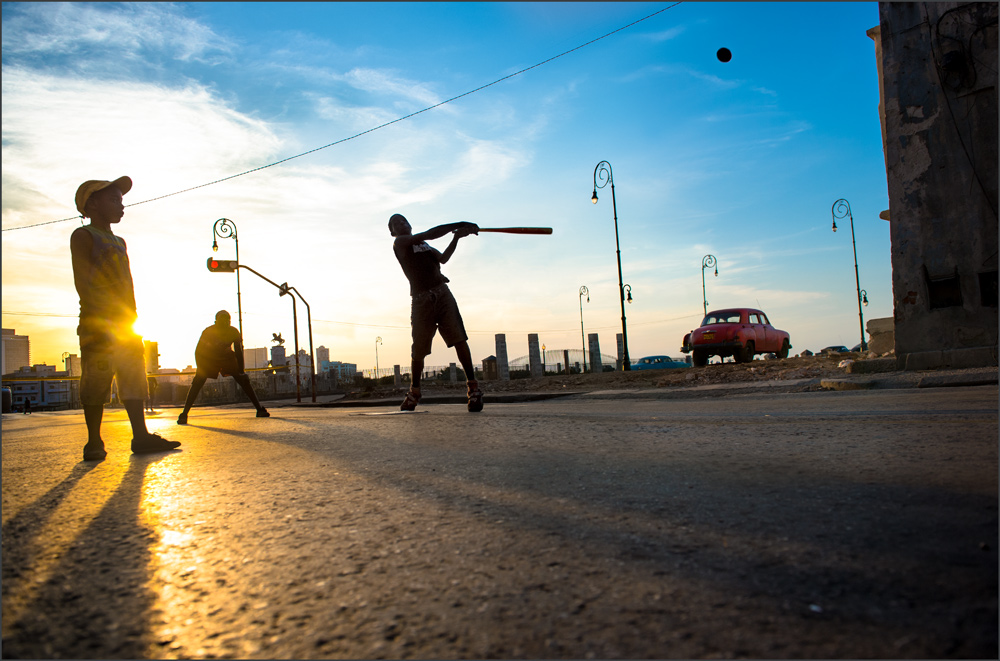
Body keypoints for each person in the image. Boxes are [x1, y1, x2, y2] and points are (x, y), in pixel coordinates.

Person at [71, 176, 180, 461]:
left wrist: (130, 318)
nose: (122, 206)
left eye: (121, 200)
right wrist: (103, 319)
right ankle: (94, 441)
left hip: (125, 323)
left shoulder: (120, 241)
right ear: (92, 204)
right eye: (114, 200)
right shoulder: (83, 236)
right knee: (96, 381)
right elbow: (83, 282)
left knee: (134, 378)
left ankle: (140, 436)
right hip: (97, 323)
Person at [388, 213, 483, 412]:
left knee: (459, 338)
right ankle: (414, 392)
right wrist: (460, 224)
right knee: (419, 350)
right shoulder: (401, 243)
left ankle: (473, 389)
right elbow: (432, 233)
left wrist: (456, 237)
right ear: (393, 232)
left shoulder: (426, 246)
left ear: (410, 224)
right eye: (396, 223)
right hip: (421, 301)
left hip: (442, 294)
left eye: (404, 220)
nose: (401, 223)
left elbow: (444, 258)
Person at [176, 310, 269, 424]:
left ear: (229, 322)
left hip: (227, 358)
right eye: (222, 320)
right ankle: (184, 413)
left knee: (244, 381)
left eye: (227, 320)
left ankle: (259, 409)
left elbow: (239, 351)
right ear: (216, 322)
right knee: (197, 382)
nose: (225, 323)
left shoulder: (233, 331)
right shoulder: (208, 331)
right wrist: (200, 368)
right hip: (209, 359)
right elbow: (198, 351)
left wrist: (241, 370)